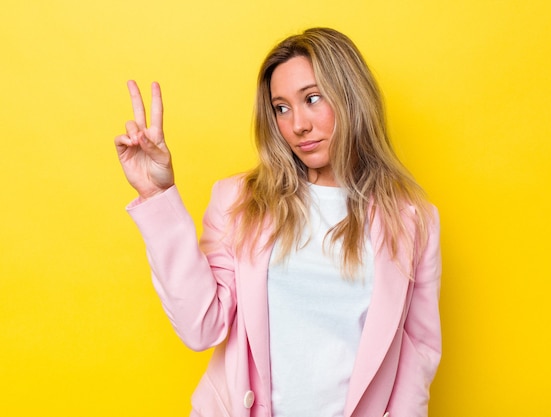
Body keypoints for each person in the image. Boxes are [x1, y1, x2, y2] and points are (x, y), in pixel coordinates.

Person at [114, 27, 441, 417]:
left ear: (352, 99)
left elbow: (418, 350)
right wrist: (157, 198)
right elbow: (202, 326)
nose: (297, 124)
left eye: (312, 99)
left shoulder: (413, 221)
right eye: (281, 108)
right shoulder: (239, 201)